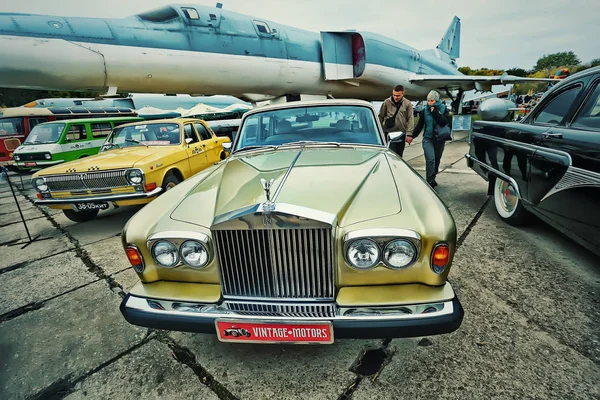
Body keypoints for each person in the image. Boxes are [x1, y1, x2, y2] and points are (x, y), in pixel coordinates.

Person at [412, 90, 452, 188]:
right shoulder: (425, 110)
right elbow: (420, 125)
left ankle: (433, 176)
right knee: (431, 159)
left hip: (439, 139)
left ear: (437, 100)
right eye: (429, 100)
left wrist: (435, 113)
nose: (430, 103)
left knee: (437, 160)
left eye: (432, 101)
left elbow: (444, 122)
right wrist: (411, 136)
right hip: (427, 138)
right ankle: (429, 181)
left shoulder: (443, 109)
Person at [378, 85, 414, 157]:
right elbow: (380, 116)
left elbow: (410, 118)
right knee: (389, 154)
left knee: (399, 155)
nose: (395, 97)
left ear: (403, 94)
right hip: (388, 132)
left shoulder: (407, 103)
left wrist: (409, 134)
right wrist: (378, 130)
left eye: (398, 95)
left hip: (401, 133)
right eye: (394, 95)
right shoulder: (387, 102)